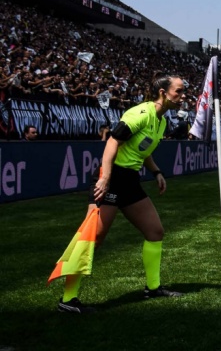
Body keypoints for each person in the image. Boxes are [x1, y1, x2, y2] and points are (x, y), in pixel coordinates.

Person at [56, 74, 188, 314]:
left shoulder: (161, 121)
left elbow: (142, 150)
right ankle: (68, 299)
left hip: (129, 181)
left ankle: (153, 288)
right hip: (112, 178)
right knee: (94, 237)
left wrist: (156, 171)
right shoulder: (141, 113)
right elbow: (112, 142)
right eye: (178, 91)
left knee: (155, 232)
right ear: (163, 92)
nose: (182, 96)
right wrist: (105, 178)